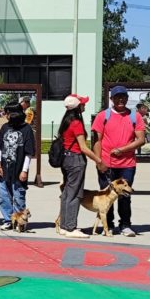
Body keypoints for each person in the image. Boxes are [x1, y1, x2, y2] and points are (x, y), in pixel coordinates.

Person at [91, 85, 145, 237]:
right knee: (106, 196)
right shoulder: (103, 116)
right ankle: (108, 225)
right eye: (117, 97)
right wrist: (99, 161)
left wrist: (122, 150)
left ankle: (125, 225)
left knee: (125, 195)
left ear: (127, 98)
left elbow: (141, 139)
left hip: (127, 164)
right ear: (111, 99)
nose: (120, 99)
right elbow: (97, 141)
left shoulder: (135, 116)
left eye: (123, 96)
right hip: (107, 164)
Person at [56, 94, 102, 239]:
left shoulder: (66, 121)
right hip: (76, 160)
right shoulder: (76, 123)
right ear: (77, 106)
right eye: (83, 103)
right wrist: (98, 160)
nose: (85, 105)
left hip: (66, 159)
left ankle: (64, 226)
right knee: (75, 194)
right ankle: (70, 227)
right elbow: (83, 147)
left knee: (67, 193)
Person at [0, 104, 35, 231]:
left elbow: (29, 153)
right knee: (4, 196)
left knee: (18, 196)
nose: (5, 115)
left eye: (7, 113)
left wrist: (24, 170)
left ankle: (20, 221)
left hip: (18, 170)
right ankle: (8, 220)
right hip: (4, 169)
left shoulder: (27, 129)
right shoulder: (5, 127)